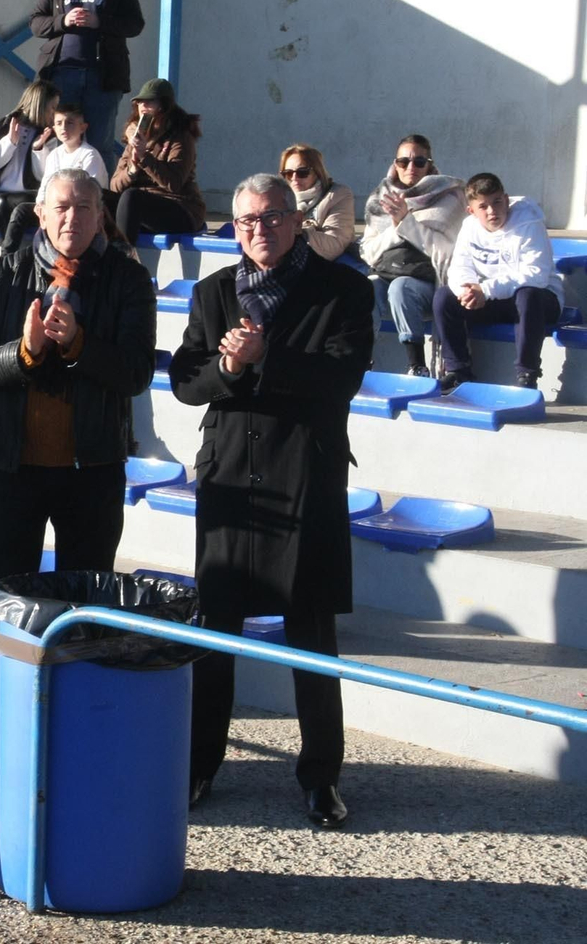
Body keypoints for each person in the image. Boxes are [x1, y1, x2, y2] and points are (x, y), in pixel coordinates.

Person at [169, 173, 374, 829]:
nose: (260, 229)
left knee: (312, 635)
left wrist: (263, 356)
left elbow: (342, 375)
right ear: (234, 229)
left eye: (273, 217)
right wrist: (228, 369)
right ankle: (200, 765)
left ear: (297, 221)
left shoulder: (343, 287)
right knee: (214, 631)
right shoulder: (213, 292)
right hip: (232, 479)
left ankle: (321, 776)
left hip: (304, 480)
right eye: (247, 220)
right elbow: (185, 381)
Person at [0, 167, 155, 779]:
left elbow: (136, 372)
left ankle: (78, 730)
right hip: (14, 467)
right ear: (40, 212)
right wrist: (29, 352)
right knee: (0, 609)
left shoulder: (128, 279)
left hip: (92, 470)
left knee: (86, 609)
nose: (72, 219)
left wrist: (82, 344)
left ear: (100, 214)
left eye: (85, 207)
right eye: (61, 207)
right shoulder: (3, 272)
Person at [30, 0, 146, 174]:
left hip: (102, 76)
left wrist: (100, 22)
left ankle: (100, 204)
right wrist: (63, 21)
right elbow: (36, 23)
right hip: (61, 74)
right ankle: (56, 198)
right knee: (57, 140)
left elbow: (136, 24)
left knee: (99, 143)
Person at [433, 173, 564, 392]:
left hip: (540, 302)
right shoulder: (469, 228)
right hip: (493, 298)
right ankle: (458, 371)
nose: (492, 211)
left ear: (506, 199)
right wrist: (467, 290)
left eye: (497, 202)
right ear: (471, 211)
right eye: (483, 207)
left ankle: (527, 376)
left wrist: (485, 289)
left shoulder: (529, 223)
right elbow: (459, 267)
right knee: (445, 297)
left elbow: (536, 275)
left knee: (527, 294)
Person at [359, 135, 465, 377]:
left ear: (429, 164)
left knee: (401, 287)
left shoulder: (449, 196)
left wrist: (406, 222)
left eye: (419, 161)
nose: (410, 167)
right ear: (395, 164)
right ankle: (362, 361)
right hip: (386, 272)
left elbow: (447, 253)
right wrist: (399, 227)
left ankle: (417, 365)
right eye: (403, 161)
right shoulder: (380, 198)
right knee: (365, 288)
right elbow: (369, 252)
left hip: (430, 282)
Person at [0, 80, 61, 265]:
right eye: (52, 107)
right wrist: (9, 143)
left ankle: (7, 257)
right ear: (39, 105)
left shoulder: (49, 135)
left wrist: (39, 148)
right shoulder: (1, 126)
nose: (54, 114)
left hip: (28, 196)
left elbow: (44, 176)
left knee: (3, 201)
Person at [109, 78, 206, 244]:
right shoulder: (135, 138)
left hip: (180, 208)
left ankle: (123, 259)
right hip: (140, 209)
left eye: (150, 102)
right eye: (140, 103)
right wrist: (131, 171)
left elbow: (173, 183)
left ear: (164, 106)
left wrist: (144, 157)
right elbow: (114, 186)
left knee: (132, 197)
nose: (143, 107)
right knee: (97, 197)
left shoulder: (181, 137)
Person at [278, 143, 356, 261]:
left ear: (317, 171)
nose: (294, 178)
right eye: (288, 173)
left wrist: (301, 233)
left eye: (302, 172)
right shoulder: (277, 198)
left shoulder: (338, 195)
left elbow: (335, 244)